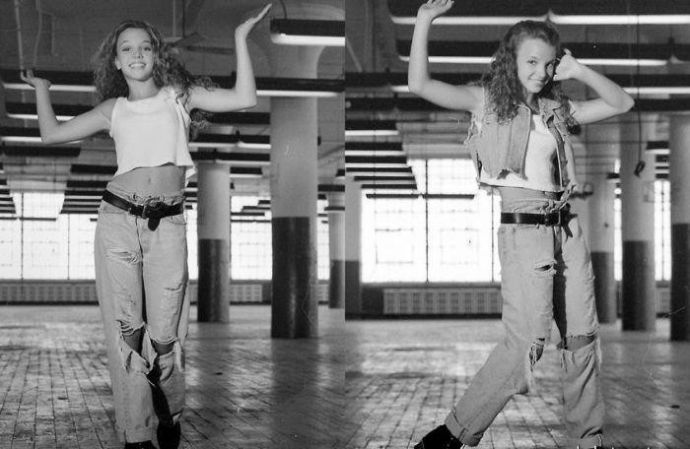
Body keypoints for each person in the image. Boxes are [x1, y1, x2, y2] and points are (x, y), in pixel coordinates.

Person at [21, 5, 271, 449]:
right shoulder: (113, 109)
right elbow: (51, 134)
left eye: (144, 47)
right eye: (126, 49)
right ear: (116, 62)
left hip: (167, 224)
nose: (136, 54)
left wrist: (239, 38)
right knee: (128, 332)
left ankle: (168, 411)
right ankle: (136, 434)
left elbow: (245, 97)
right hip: (118, 219)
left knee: (166, 336)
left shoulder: (180, 97)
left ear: (157, 55)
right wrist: (42, 90)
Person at [407, 1, 634, 448]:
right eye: (531, 62)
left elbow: (621, 102)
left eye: (548, 64)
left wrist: (579, 70)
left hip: (566, 229)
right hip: (524, 231)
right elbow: (419, 84)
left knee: (583, 339)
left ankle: (588, 440)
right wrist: (423, 21)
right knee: (527, 343)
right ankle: (450, 435)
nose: (541, 72)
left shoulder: (556, 110)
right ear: (510, 60)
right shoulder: (485, 102)